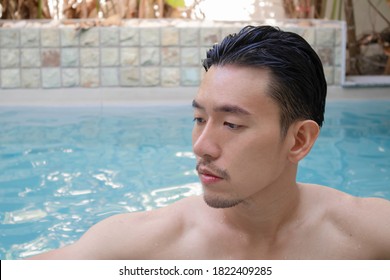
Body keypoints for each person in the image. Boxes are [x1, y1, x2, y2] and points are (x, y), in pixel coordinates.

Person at [29, 25, 390, 260]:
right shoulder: (144, 248)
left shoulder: (366, 239)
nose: (202, 146)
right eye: (199, 119)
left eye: (231, 124)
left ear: (298, 140)